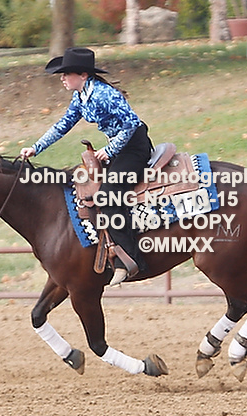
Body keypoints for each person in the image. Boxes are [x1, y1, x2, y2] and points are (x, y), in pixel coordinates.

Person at [20, 47, 153, 286]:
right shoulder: (80, 98)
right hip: (121, 147)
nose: (62, 78)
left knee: (109, 196)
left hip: (135, 147)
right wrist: (35, 148)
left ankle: (131, 258)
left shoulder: (103, 94)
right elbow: (62, 126)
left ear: (83, 75)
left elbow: (132, 123)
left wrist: (110, 150)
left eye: (66, 74)